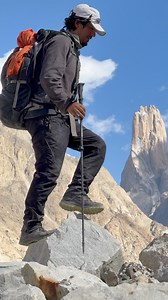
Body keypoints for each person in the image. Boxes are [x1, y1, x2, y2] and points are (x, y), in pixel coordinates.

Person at [19, 3, 106, 246]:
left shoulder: (72, 47)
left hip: (60, 117)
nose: (93, 35)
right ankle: (31, 226)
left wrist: (68, 107)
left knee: (96, 146)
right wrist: (67, 102)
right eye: (91, 28)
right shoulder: (61, 42)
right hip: (46, 116)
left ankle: (76, 193)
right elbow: (49, 76)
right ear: (78, 23)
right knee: (48, 171)